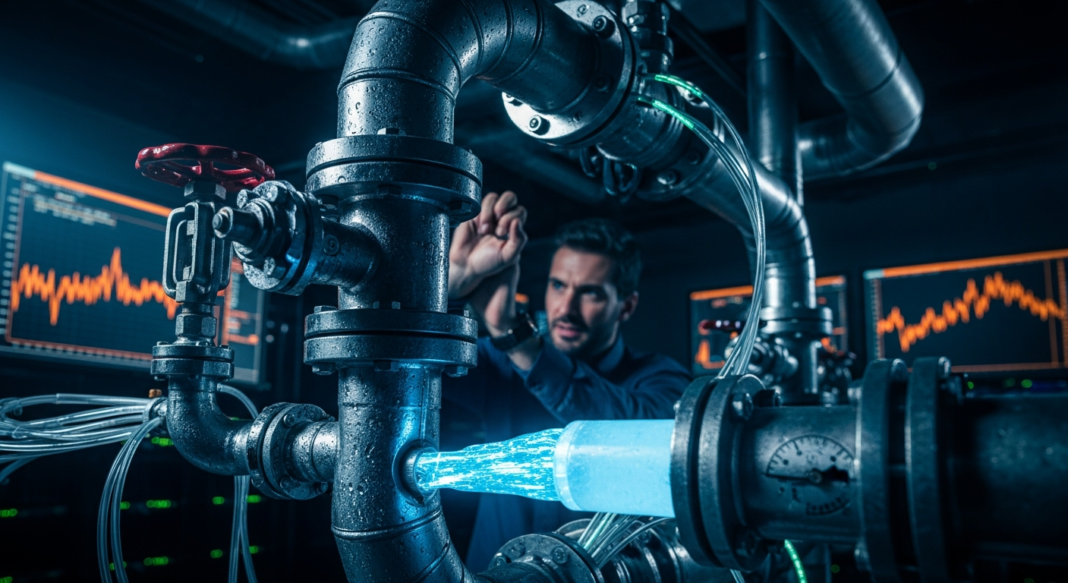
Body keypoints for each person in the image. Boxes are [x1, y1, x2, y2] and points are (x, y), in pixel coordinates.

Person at [444, 190, 691, 569]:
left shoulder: (660, 379)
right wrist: (450, 286)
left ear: (626, 306)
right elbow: (400, 364)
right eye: (558, 285)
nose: (566, 309)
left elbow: (639, 434)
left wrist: (514, 334)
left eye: (590, 293)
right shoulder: (501, 363)